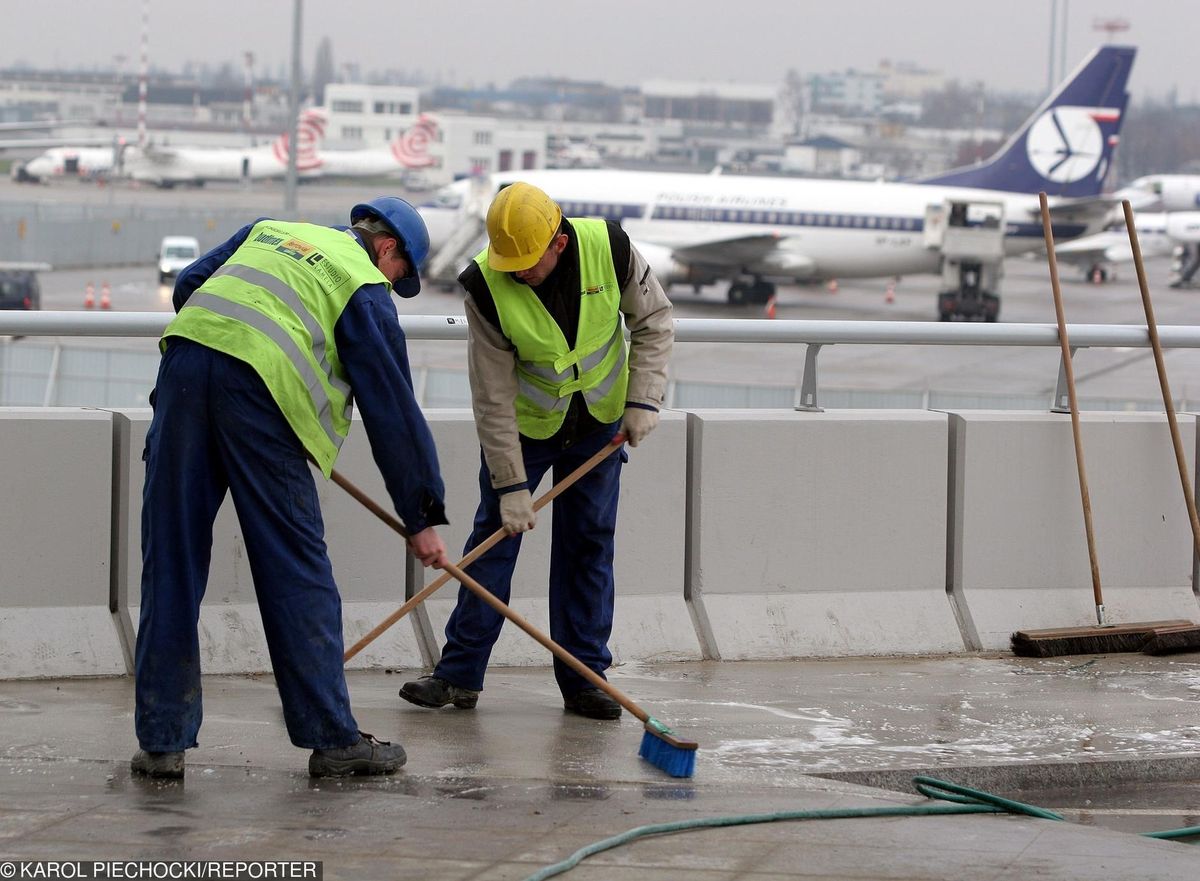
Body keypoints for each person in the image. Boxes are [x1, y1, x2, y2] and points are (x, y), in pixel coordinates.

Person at [132, 197, 450, 779]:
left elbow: (190, 284)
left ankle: (161, 742)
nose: (394, 285)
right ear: (387, 250)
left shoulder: (271, 230)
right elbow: (392, 409)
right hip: (259, 405)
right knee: (297, 575)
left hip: (182, 375)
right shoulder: (361, 284)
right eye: (401, 275)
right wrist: (421, 514)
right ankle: (333, 740)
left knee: (170, 565)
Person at [399, 181, 673, 720]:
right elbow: (492, 394)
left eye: (528, 262)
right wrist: (510, 484)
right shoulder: (485, 283)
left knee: (588, 544)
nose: (519, 272)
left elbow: (653, 322)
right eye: (511, 263)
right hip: (525, 429)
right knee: (493, 542)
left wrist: (644, 400)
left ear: (559, 244)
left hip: (599, 424)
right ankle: (458, 676)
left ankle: (586, 679)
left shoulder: (610, 248)